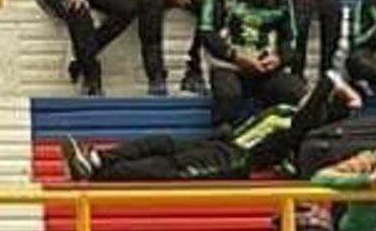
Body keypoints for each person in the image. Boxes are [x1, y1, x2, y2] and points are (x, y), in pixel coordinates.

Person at [57, 70, 359, 183]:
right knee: (162, 142)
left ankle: (95, 174)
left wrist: (332, 85)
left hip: (232, 161)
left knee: (165, 167)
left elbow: (338, 108)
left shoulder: (298, 130)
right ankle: (97, 160)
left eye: (315, 94)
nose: (305, 90)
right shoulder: (282, 109)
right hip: (222, 143)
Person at [197, 0, 309, 127]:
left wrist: (279, 59)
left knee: (296, 91)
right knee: (228, 95)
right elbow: (207, 32)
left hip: (264, 69)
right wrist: (235, 56)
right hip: (229, 66)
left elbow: (290, 41)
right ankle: (221, 145)